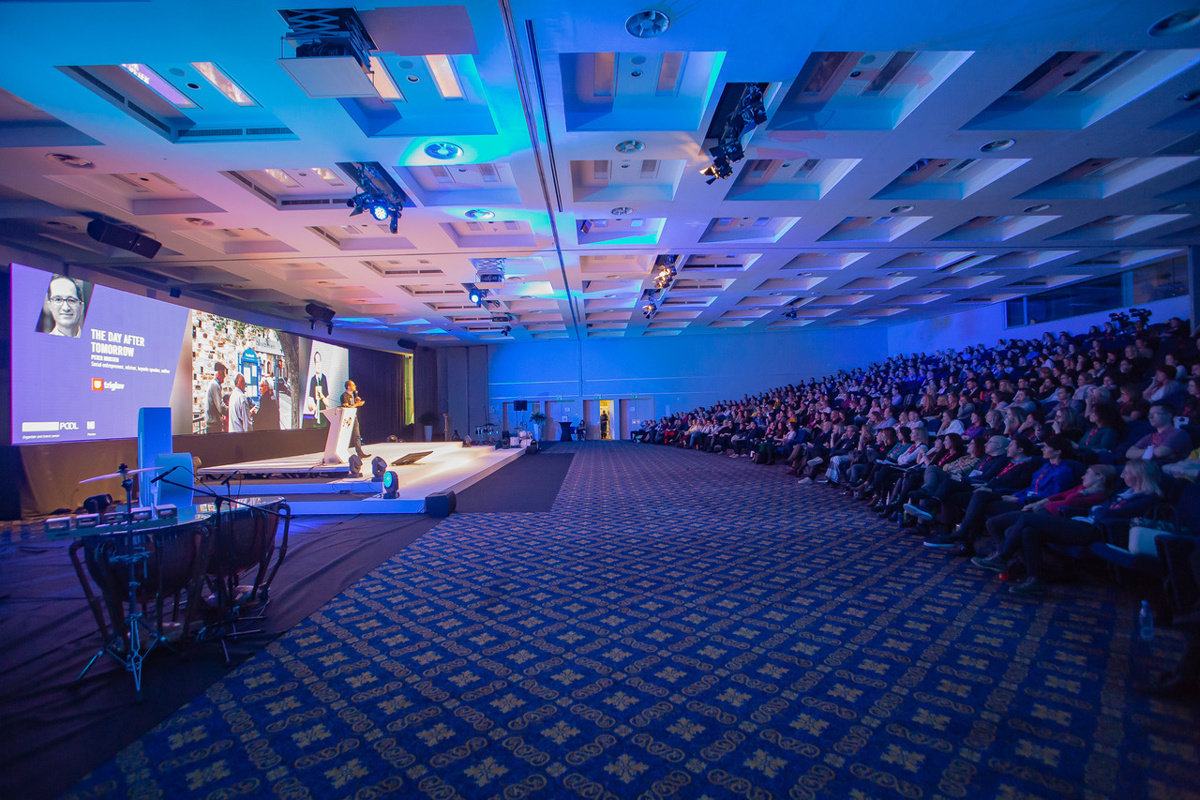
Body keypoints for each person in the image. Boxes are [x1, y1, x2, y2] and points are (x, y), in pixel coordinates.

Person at [1125, 404, 1193, 465]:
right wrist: (1151, 451)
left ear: (1169, 415)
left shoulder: (1177, 433)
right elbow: (1129, 453)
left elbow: (1160, 452)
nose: (1150, 417)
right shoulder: (1150, 436)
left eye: (1155, 414)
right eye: (1149, 414)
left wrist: (1140, 452)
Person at [340, 379, 369, 458]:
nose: (355, 386)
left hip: (353, 417)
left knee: (357, 435)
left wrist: (357, 402)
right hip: (346, 419)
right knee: (345, 436)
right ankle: (342, 452)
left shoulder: (352, 395)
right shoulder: (344, 396)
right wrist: (357, 404)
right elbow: (347, 407)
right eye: (353, 385)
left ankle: (360, 453)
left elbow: (352, 405)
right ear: (349, 387)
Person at [308, 351, 330, 428]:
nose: (318, 365)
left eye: (319, 362)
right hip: (315, 418)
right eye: (316, 363)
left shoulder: (324, 378)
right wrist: (313, 406)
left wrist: (321, 395)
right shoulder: (313, 380)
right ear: (314, 364)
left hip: (324, 417)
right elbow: (310, 406)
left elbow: (327, 403)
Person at [205, 362, 227, 434]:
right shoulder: (215, 385)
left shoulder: (213, 384)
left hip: (212, 425)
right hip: (213, 426)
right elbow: (220, 407)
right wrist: (231, 411)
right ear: (219, 372)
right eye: (223, 373)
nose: (225, 376)